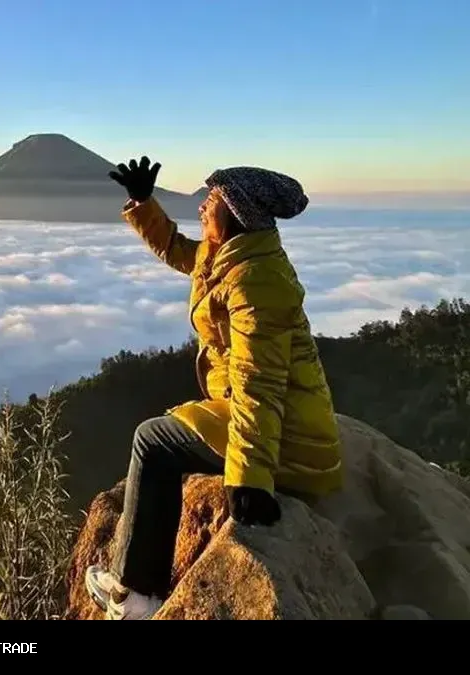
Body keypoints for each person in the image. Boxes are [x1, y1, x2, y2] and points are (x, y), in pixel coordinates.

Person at [84, 157, 344, 620]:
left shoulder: (254, 282)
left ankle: (137, 595)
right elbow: (182, 252)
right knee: (167, 435)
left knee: (153, 439)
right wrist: (144, 204)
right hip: (276, 422)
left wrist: (250, 479)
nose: (202, 205)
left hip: (289, 441)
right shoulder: (235, 255)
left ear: (236, 212)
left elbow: (258, 385)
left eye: (213, 198)